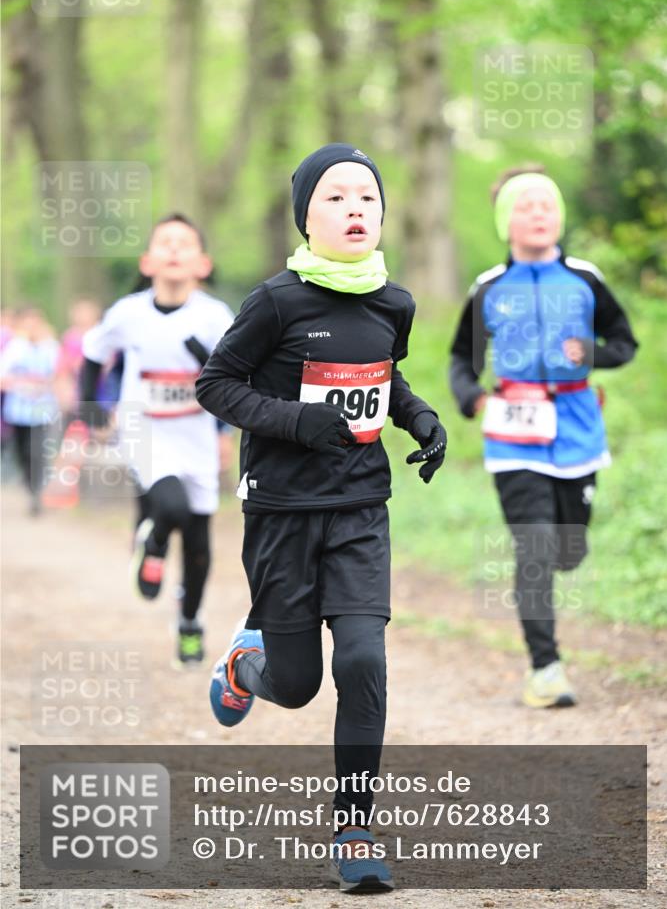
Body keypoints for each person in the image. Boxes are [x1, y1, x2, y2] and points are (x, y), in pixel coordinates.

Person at [196, 143, 447, 893]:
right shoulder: (275, 301)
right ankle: (247, 663)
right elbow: (216, 384)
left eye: (366, 198)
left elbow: (383, 376)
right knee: (300, 684)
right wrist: (294, 421)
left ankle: (355, 828)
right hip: (279, 512)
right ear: (306, 216)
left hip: (360, 507)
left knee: (363, 662)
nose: (354, 210)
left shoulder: (392, 302)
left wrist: (420, 417)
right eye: (335, 198)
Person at [449, 165, 638, 708]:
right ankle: (545, 669)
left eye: (547, 206)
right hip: (513, 433)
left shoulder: (584, 278)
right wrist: (474, 398)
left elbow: (625, 342)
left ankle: (550, 632)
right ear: (506, 221)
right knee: (533, 548)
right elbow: (461, 359)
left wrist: (594, 353)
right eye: (525, 207)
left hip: (577, 428)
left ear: (559, 218)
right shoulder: (487, 287)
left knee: (566, 549)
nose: (538, 215)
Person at [81, 213, 234, 667]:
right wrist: (93, 409)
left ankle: (189, 622)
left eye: (183, 243)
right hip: (142, 427)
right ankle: (152, 542)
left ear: (202, 263)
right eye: (163, 243)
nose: (172, 249)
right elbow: (93, 355)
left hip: (196, 432)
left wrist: (223, 425)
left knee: (201, 544)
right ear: (147, 261)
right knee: (171, 506)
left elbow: (233, 378)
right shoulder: (128, 313)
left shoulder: (214, 316)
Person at [0, 306, 60, 515]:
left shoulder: (50, 346)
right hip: (18, 411)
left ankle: (37, 491)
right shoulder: (15, 348)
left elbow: (59, 373)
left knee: (37, 451)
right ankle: (29, 484)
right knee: (21, 452)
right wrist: (20, 383)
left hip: (42, 409)